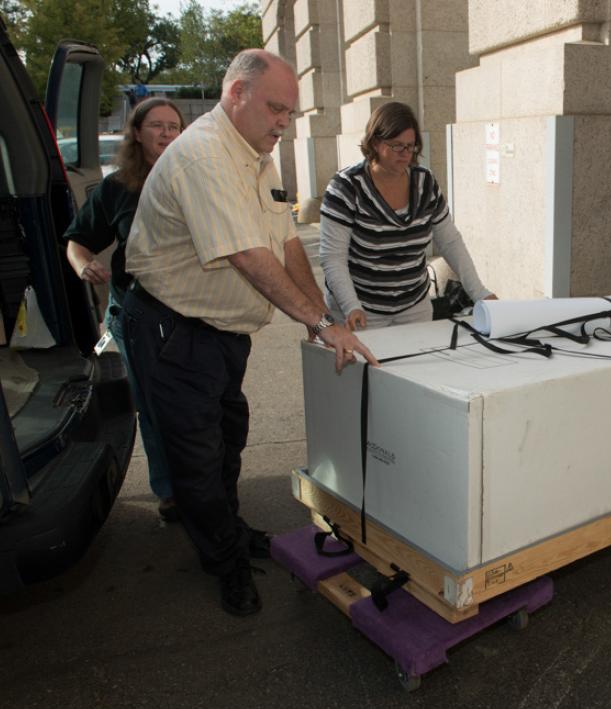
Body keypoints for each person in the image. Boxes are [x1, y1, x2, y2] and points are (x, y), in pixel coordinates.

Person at [121, 49, 378, 617]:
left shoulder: (257, 157)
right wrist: (316, 322)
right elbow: (246, 256)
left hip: (220, 335)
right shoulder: (204, 156)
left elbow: (286, 245)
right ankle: (225, 563)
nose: (284, 123)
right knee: (196, 459)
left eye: (289, 112)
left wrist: (326, 320)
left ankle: (228, 532)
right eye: (276, 109)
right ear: (236, 93)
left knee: (226, 443)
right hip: (173, 331)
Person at [64, 97, 185, 522]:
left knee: (195, 403)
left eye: (174, 126)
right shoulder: (117, 188)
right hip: (136, 310)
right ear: (136, 132)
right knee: (152, 405)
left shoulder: (197, 179)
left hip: (190, 309)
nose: (167, 134)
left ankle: (208, 485)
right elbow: (77, 241)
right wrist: (84, 265)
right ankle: (170, 491)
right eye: (157, 126)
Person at [319, 101, 494, 330]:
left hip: (414, 306)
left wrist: (479, 293)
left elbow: (450, 241)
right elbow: (333, 257)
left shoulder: (425, 182)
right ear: (374, 142)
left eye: (410, 147)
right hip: (360, 310)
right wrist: (351, 305)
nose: (405, 154)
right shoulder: (345, 188)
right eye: (396, 146)